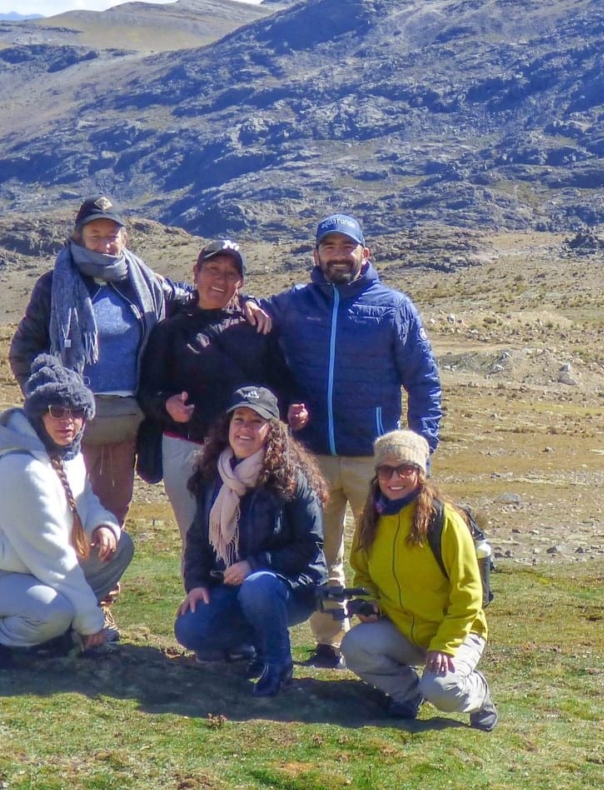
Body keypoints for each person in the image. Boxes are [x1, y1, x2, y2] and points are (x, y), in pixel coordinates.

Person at [263, 213, 443, 669]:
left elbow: (423, 381)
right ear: (316, 254)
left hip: (376, 460)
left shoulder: (393, 307)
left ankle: (387, 643)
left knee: (385, 554)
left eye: (347, 246)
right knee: (321, 553)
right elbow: (240, 310)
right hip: (312, 455)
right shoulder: (294, 305)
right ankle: (328, 641)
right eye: (330, 246)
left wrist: (419, 450)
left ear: (366, 252)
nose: (338, 255)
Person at [8, 195, 195, 528]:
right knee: (64, 512)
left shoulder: (143, 282)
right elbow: (23, 349)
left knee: (112, 512)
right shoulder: (54, 285)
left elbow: (194, 297)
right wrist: (46, 402)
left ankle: (106, 580)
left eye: (112, 235)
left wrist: (243, 303)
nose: (105, 244)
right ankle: (67, 580)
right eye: (96, 235)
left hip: (124, 421)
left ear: (124, 237)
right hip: (68, 423)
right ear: (79, 236)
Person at [0, 354, 135, 667]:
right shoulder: (22, 469)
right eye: (56, 411)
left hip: (31, 568)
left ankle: (58, 632)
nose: (68, 420)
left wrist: (103, 525)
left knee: (120, 546)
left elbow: (86, 500)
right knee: (54, 612)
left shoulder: (68, 454)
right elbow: (53, 558)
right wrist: (93, 625)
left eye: (77, 411)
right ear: (39, 415)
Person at [137, 239, 305, 553]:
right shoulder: (169, 331)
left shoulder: (258, 327)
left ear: (240, 283)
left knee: (250, 539)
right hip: (186, 448)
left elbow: (281, 382)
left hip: (247, 450)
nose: (220, 279)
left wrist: (294, 406)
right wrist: (166, 406)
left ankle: (244, 599)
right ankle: (199, 600)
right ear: (196, 273)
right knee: (196, 541)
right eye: (212, 269)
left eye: (230, 273)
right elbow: (146, 391)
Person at [174, 386, 328, 697]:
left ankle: (277, 664)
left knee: (258, 586)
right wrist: (197, 583)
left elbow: (310, 546)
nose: (245, 428)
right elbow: (198, 538)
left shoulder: (291, 478)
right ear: (227, 426)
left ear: (272, 430)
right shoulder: (213, 473)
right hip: (233, 586)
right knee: (191, 627)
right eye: (238, 419)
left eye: (256, 421)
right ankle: (250, 645)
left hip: (292, 587)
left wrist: (254, 565)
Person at [341, 430, 497, 731]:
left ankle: (479, 694)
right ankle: (408, 694)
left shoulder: (445, 520)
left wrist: (446, 644)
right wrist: (368, 601)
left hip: (457, 632)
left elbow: (468, 592)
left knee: (441, 689)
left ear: (420, 472)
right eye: (386, 469)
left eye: (405, 469)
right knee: (355, 647)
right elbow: (362, 573)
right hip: (404, 629)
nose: (394, 478)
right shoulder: (370, 519)